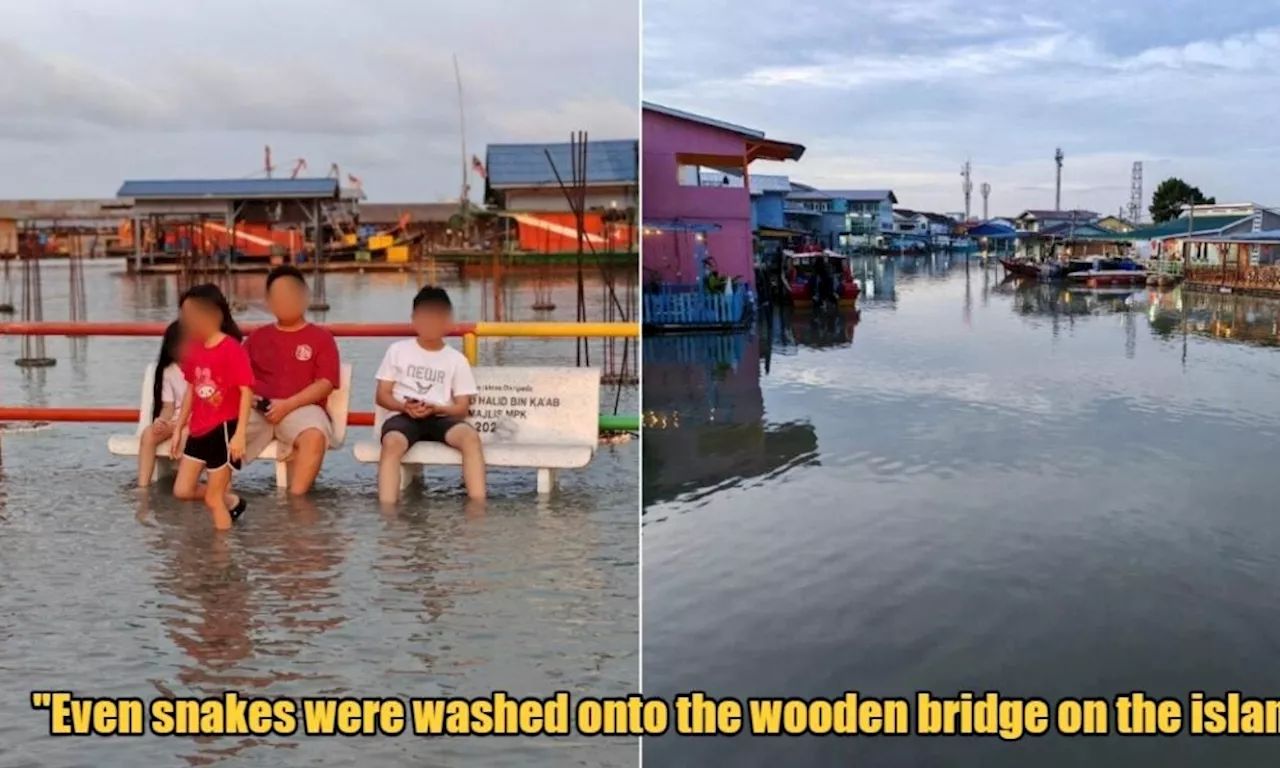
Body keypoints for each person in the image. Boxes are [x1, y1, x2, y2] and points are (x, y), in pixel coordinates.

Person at [374, 286, 485, 504]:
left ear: (448, 322)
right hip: (403, 416)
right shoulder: (397, 351)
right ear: (414, 319)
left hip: (440, 417)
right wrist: (405, 407)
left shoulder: (456, 359)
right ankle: (387, 511)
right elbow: (382, 395)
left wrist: (438, 409)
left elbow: (462, 408)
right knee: (392, 443)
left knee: (470, 439)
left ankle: (477, 507)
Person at [242, 266, 341, 495]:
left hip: (301, 408)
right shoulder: (257, 337)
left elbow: (325, 383)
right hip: (258, 407)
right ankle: (219, 495)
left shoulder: (321, 338)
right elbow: (238, 376)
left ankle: (297, 504)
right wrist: (249, 398)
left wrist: (288, 405)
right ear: (269, 300)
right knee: (218, 429)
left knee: (314, 437)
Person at [169, 284, 253, 530]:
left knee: (212, 499)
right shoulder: (195, 348)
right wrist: (178, 427)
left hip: (224, 429)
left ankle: (222, 559)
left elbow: (246, 392)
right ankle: (233, 502)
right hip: (198, 429)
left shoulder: (231, 349)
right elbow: (191, 390)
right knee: (182, 490)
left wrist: (239, 436)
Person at [137, 320, 187, 487]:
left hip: (195, 421)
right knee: (149, 434)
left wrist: (178, 426)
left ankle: (184, 488)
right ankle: (143, 486)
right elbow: (168, 406)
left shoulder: (201, 368)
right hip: (175, 420)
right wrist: (162, 421)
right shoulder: (168, 370)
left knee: (185, 437)